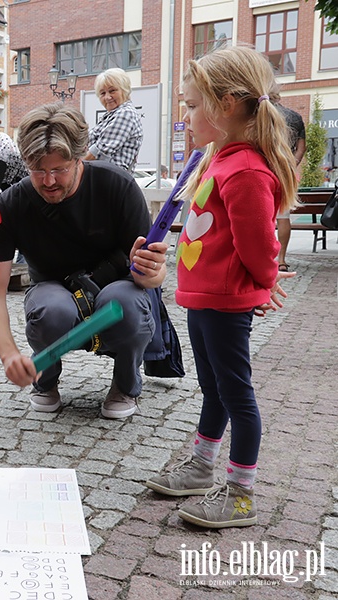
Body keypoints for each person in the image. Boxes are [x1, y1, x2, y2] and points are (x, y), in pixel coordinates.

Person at [144, 46, 297, 529]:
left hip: (226, 301)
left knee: (236, 394)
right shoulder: (220, 160)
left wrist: (265, 281)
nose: (185, 115)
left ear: (227, 104)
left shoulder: (247, 169)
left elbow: (259, 243)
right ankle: (202, 466)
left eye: (192, 105)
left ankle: (241, 493)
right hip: (205, 297)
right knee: (212, 386)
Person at [0, 103, 166, 420]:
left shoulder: (118, 186)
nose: (49, 181)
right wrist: (9, 355)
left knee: (126, 301)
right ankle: (46, 381)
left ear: (80, 159)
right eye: (38, 170)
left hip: (118, 288)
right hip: (53, 289)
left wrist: (153, 272)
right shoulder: (12, 203)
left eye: (59, 169)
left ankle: (125, 384)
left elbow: (151, 281)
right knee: (50, 309)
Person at [85, 67, 143, 173]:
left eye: (112, 91)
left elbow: (100, 151)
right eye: (102, 93)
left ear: (124, 90)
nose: (107, 97)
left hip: (110, 181)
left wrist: (73, 167)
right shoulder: (112, 115)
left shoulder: (125, 113)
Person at [275, 104, 306, 271]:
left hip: (265, 168)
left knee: (260, 215)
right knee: (283, 216)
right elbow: (301, 148)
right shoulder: (295, 116)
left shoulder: (261, 112)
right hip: (285, 173)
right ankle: (281, 259)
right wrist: (291, 166)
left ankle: (261, 258)